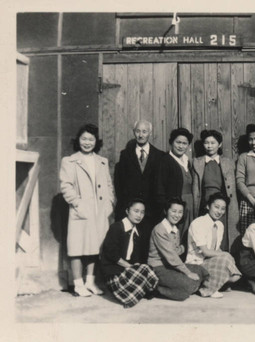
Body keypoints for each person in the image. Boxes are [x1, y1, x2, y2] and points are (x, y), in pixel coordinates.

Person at [59, 123, 115, 297]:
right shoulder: (69, 160)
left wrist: (110, 203)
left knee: (95, 247)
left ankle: (90, 281)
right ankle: (78, 284)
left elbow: (108, 184)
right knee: (77, 247)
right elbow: (66, 185)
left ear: (96, 142)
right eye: (84, 139)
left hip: (99, 212)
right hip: (81, 212)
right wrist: (77, 203)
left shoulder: (102, 161)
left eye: (91, 139)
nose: (87, 142)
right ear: (78, 140)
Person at [114, 120, 164, 263]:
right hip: (131, 209)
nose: (141, 135)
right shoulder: (125, 154)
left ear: (150, 133)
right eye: (138, 131)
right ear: (133, 132)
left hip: (151, 210)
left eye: (144, 131)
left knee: (147, 244)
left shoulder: (159, 155)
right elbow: (120, 182)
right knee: (129, 243)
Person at [100, 199, 159, 308]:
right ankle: (132, 293)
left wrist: (134, 267)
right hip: (114, 273)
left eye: (142, 212)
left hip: (126, 271)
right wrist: (131, 267)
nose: (139, 215)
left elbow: (135, 259)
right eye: (136, 211)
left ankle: (135, 291)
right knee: (143, 273)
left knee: (148, 269)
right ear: (127, 211)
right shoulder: (116, 227)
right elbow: (111, 254)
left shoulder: (137, 232)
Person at [148, 197, 207, 301]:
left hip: (170, 266)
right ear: (166, 211)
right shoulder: (160, 229)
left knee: (200, 270)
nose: (177, 215)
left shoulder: (175, 229)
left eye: (180, 212)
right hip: (158, 267)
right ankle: (153, 288)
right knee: (186, 288)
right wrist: (188, 272)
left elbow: (175, 251)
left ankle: (183, 285)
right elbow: (171, 256)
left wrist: (185, 247)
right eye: (174, 211)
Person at [186, 192, 241, 298]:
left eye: (222, 208)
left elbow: (216, 248)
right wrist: (225, 255)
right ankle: (208, 288)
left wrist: (227, 257)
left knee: (236, 277)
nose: (219, 211)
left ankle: (210, 282)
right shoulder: (198, 223)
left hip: (211, 261)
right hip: (197, 262)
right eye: (216, 207)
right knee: (225, 257)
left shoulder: (220, 225)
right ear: (208, 206)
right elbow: (206, 251)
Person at [192, 130, 238, 252]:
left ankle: (222, 258)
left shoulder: (228, 162)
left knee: (221, 231)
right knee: (205, 231)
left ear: (220, 144)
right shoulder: (197, 162)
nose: (209, 146)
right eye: (206, 143)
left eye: (213, 143)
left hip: (221, 203)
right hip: (205, 202)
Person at [155, 128, 195, 248]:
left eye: (184, 143)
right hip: (175, 205)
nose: (181, 146)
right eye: (178, 142)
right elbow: (159, 186)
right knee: (174, 235)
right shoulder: (165, 161)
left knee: (187, 234)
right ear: (171, 142)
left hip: (189, 204)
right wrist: (166, 208)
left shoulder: (187, 161)